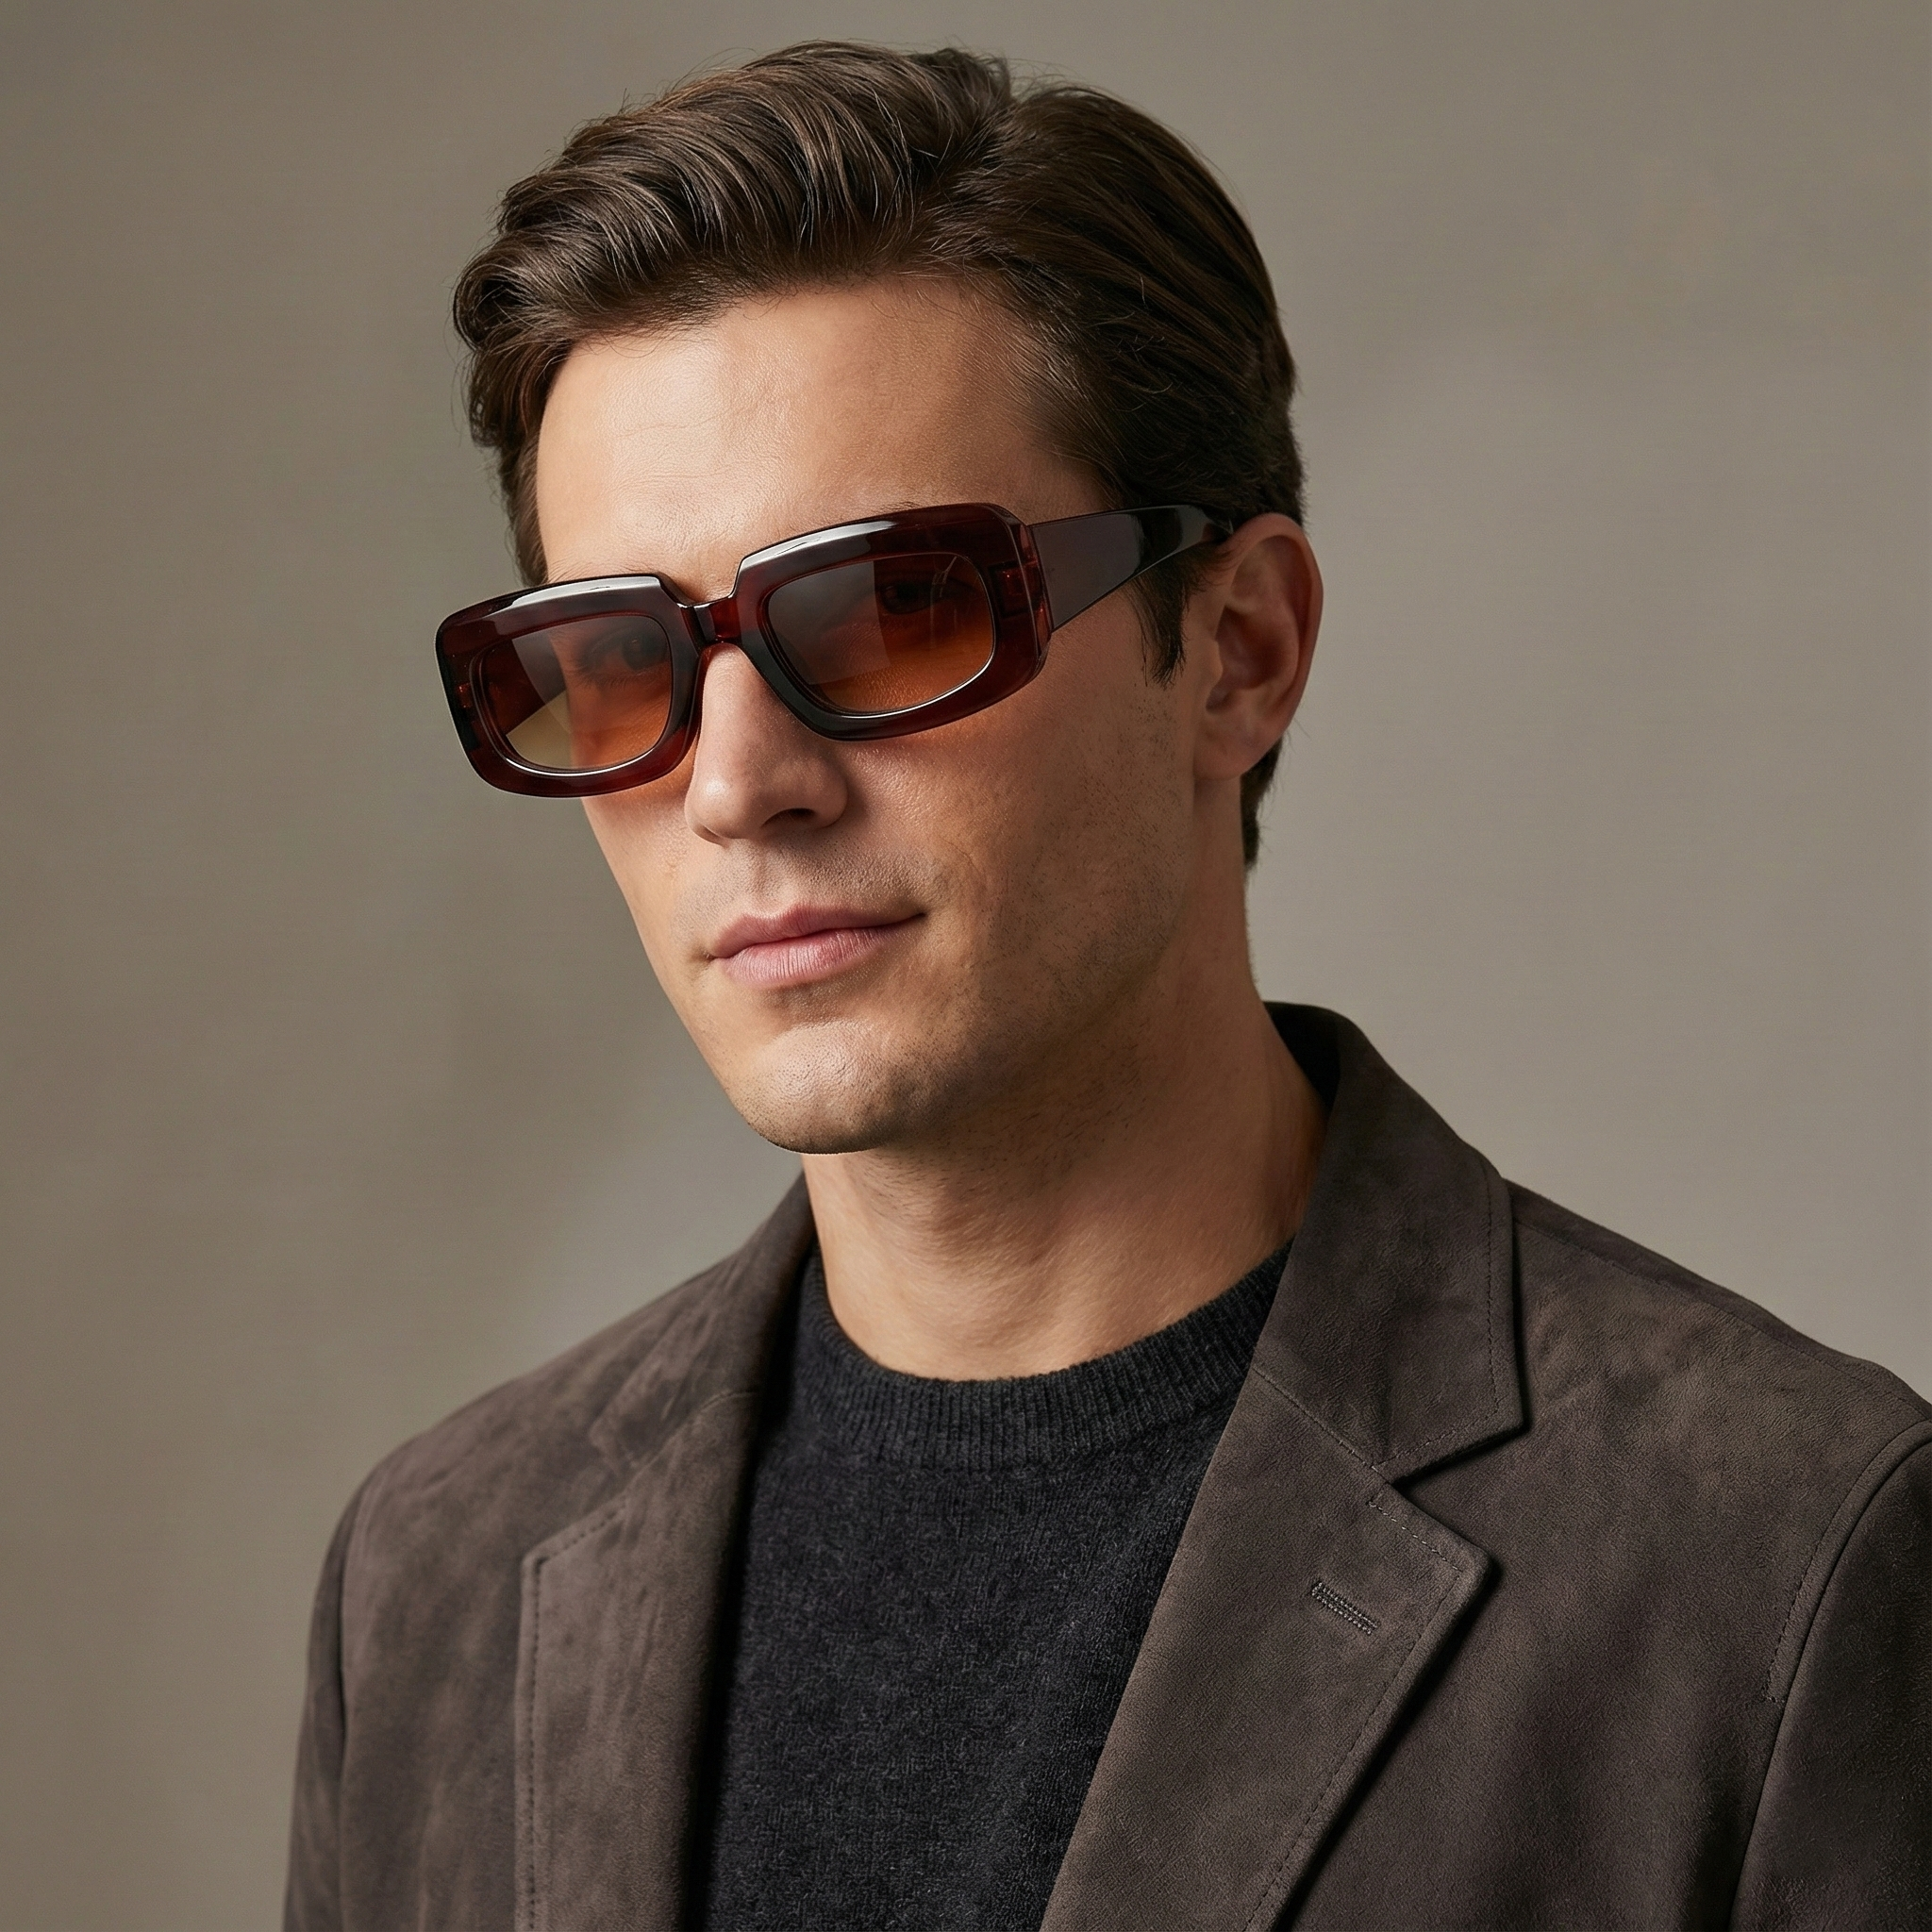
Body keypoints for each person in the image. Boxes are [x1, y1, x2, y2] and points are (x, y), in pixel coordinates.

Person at [284, 42, 1932, 1932]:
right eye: (613, 661)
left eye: (888, 610)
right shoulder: (434, 1585)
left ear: (1239, 650)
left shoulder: (1781, 1564)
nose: (735, 785)